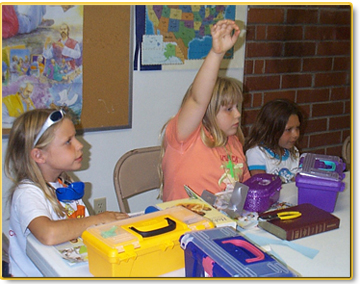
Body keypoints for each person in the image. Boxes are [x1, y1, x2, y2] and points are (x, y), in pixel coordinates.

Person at [4, 108, 128, 277]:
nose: (80, 145)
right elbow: (49, 234)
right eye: (68, 141)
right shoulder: (27, 193)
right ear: (39, 155)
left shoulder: (64, 182)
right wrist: (98, 219)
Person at [159, 20, 250, 202]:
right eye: (228, 109)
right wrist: (217, 54)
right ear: (207, 111)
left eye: (237, 107)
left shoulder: (233, 142)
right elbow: (197, 99)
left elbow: (244, 191)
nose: (238, 114)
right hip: (184, 223)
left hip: (222, 225)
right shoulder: (186, 136)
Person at [244, 99, 304, 183]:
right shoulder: (256, 153)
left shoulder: (293, 152)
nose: (296, 135)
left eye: (297, 128)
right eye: (288, 129)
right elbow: (261, 185)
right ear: (271, 129)